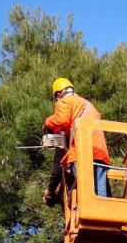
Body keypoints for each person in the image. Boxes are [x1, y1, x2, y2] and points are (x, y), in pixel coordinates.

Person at [42, 77, 111, 206]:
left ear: (59, 94)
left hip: (82, 152)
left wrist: (47, 123)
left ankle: (88, 211)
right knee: (101, 190)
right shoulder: (88, 105)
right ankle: (102, 211)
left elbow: (62, 119)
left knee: (84, 188)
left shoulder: (65, 101)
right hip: (100, 151)